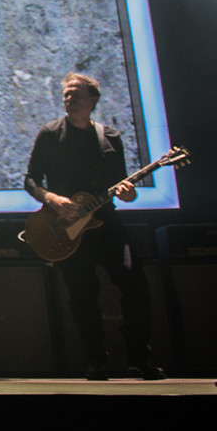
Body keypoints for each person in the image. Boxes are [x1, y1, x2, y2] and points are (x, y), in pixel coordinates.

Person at [23, 72, 164, 380]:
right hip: (66, 226)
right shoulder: (50, 133)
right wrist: (52, 199)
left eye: (76, 94)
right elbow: (30, 179)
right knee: (82, 293)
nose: (69, 99)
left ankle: (139, 358)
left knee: (136, 286)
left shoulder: (108, 137)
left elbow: (122, 184)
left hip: (107, 222)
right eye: (66, 94)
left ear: (93, 100)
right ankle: (96, 361)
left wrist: (129, 193)